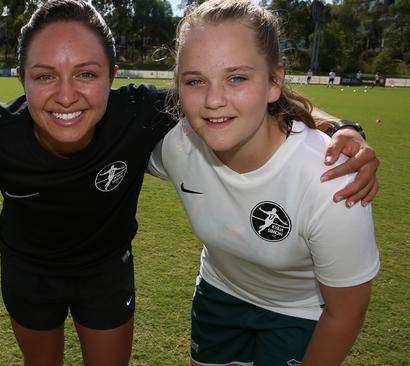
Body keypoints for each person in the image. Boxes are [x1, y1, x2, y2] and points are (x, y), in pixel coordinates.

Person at [0, 1, 379, 365]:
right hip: (30, 274)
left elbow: (248, 104)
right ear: (22, 80)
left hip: (105, 273)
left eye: (87, 74)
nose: (66, 95)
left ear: (114, 77)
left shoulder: (142, 115)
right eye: (44, 76)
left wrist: (339, 127)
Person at [149, 1, 380, 364]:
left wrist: (341, 126)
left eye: (237, 78)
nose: (213, 100)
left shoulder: (329, 178)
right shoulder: (179, 147)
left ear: (275, 82)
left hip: (301, 312)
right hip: (218, 293)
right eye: (195, 81)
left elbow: (346, 311)